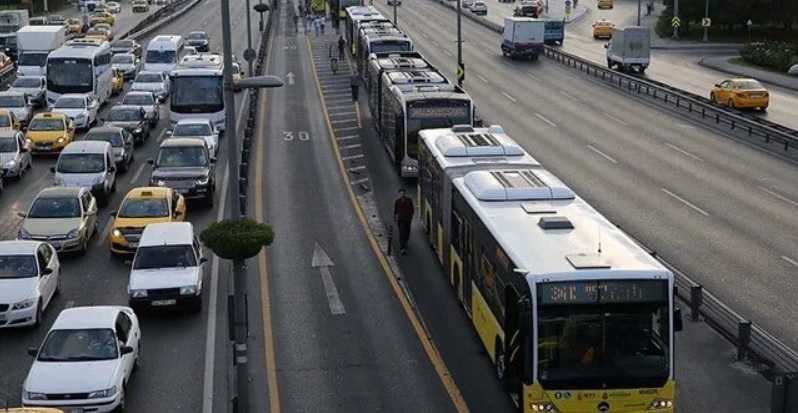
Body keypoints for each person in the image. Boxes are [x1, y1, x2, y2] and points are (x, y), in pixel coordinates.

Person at [393, 188, 414, 254]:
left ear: (405, 194)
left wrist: (411, 215)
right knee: (402, 233)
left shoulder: (409, 200)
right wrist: (395, 217)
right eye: (400, 194)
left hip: (407, 219)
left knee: (407, 231)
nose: (402, 195)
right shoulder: (397, 201)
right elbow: (395, 210)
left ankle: (405, 242)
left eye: (403, 193)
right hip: (400, 219)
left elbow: (412, 208)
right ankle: (402, 247)